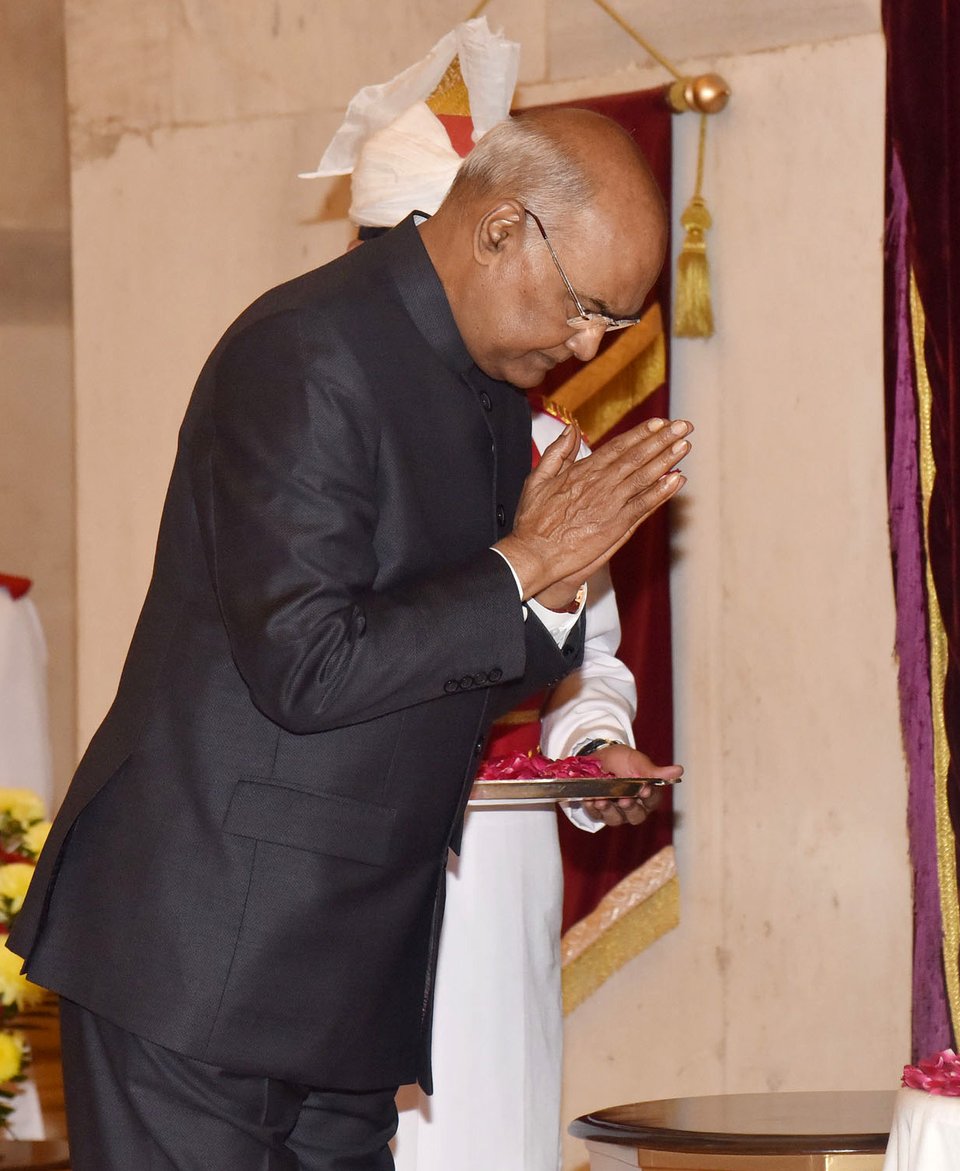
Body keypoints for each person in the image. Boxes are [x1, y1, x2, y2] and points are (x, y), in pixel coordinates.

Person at [8, 106, 687, 1170]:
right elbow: (307, 663)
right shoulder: (305, 350)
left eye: (616, 323)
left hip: (348, 964)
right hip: (202, 949)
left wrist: (554, 595)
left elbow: (456, 664)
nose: (588, 345)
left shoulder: (489, 389)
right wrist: (523, 563)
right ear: (501, 229)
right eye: (584, 305)